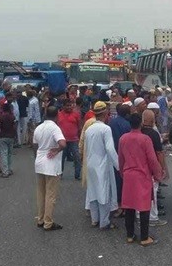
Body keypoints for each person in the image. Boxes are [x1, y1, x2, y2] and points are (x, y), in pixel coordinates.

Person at [118, 113, 163, 246]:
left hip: (128, 174)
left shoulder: (123, 138)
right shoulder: (145, 139)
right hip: (142, 175)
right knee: (144, 207)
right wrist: (158, 174)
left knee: (129, 206)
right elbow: (152, 159)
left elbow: (121, 158)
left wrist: (122, 172)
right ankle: (144, 237)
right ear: (141, 123)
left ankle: (130, 235)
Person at [84, 102, 120, 230]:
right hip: (102, 165)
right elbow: (110, 149)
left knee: (93, 191)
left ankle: (95, 219)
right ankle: (104, 222)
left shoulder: (89, 129)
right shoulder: (105, 129)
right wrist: (119, 166)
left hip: (90, 164)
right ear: (105, 113)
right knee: (104, 192)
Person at [32, 106, 67, 231]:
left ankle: (40, 219)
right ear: (57, 115)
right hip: (51, 164)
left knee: (41, 193)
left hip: (40, 161)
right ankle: (48, 222)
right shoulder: (54, 128)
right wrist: (57, 150)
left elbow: (34, 145)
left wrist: (37, 157)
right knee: (51, 195)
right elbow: (63, 143)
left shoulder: (39, 127)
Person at [141, 109, 168, 227]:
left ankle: (139, 215)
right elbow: (159, 153)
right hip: (151, 169)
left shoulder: (138, 132)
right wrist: (163, 168)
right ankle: (152, 217)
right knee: (153, 193)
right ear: (153, 121)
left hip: (139, 167)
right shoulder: (153, 134)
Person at [57, 99, 82, 180]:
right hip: (62, 141)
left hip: (74, 140)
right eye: (67, 105)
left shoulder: (76, 114)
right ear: (63, 106)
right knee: (61, 158)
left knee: (77, 157)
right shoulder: (58, 115)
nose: (69, 107)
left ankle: (77, 175)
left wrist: (79, 138)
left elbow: (79, 127)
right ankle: (59, 174)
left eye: (70, 105)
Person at [0, 102, 16, 178]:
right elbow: (14, 127)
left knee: (4, 154)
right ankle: (10, 169)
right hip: (11, 136)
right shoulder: (12, 117)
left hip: (3, 136)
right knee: (9, 154)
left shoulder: (1, 117)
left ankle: (5, 172)